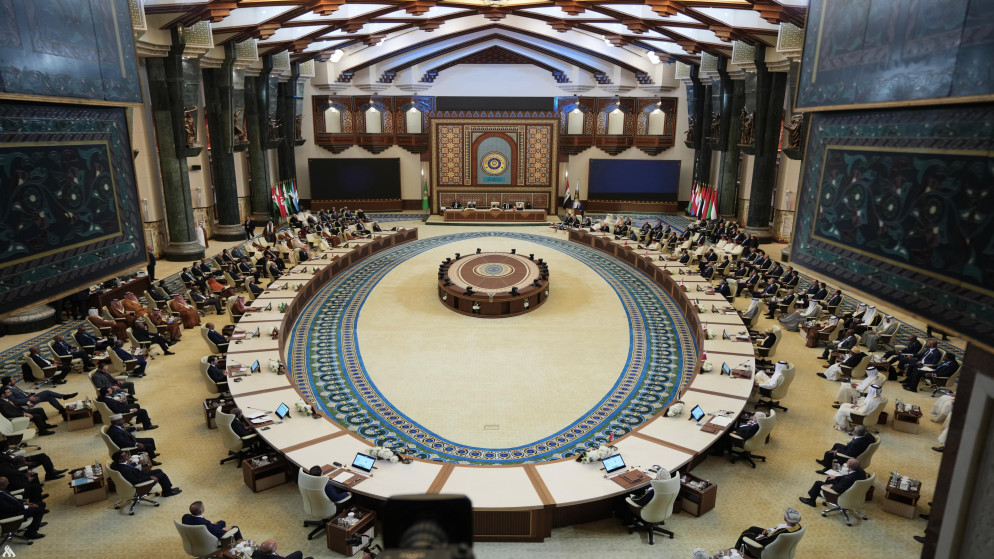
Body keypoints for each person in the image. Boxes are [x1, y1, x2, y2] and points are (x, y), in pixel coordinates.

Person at [799, 458, 867, 507]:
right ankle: (823, 492)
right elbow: (846, 477)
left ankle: (811, 501)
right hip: (854, 491)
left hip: (841, 494)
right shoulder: (862, 472)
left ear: (849, 467)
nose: (845, 464)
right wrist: (836, 477)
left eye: (846, 464)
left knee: (818, 483)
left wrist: (831, 486)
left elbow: (838, 490)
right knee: (831, 477)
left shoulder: (848, 479)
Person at [110, 450, 181, 497]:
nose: (128, 456)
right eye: (125, 456)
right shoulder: (125, 470)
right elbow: (134, 481)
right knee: (162, 475)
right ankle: (167, 492)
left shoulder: (116, 464)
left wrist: (136, 463)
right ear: (120, 459)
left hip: (138, 474)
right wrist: (150, 477)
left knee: (159, 470)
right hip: (139, 479)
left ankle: (167, 489)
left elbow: (126, 465)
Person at [1, 376, 76, 419]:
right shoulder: (7, 391)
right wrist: (29, 399)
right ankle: (64, 396)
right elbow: (15, 401)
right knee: (47, 392)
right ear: (9, 383)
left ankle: (61, 409)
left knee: (49, 396)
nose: (14, 380)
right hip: (27, 402)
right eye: (13, 380)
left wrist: (28, 393)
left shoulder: (12, 386)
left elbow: (21, 392)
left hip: (29, 397)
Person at [733, 507, 803, 551]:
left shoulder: (782, 532)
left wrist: (759, 536)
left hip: (766, 541)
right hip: (772, 536)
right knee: (753, 528)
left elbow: (767, 540)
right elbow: (776, 530)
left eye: (786, 515)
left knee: (745, 533)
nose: (784, 515)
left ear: (788, 520)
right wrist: (769, 530)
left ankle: (736, 550)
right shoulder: (798, 526)